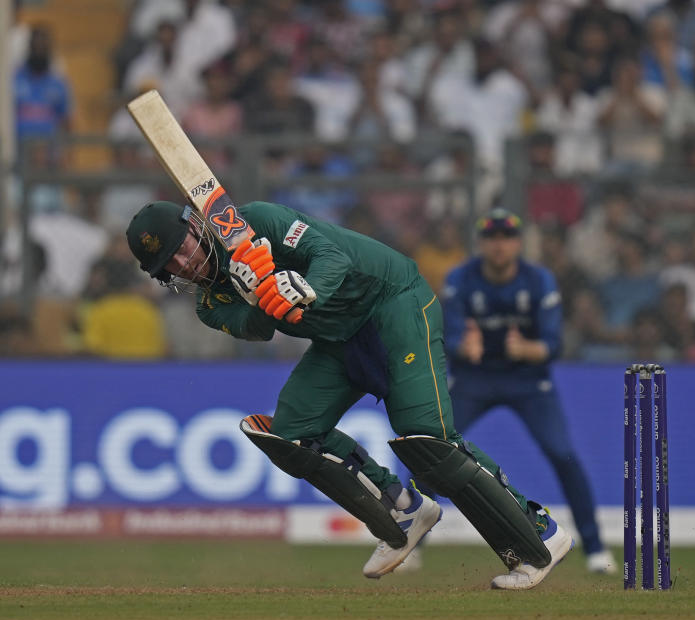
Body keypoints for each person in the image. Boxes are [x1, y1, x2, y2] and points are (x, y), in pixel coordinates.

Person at [125, 200, 573, 590]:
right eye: (168, 266)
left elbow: (330, 256)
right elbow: (257, 330)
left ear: (196, 226)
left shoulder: (256, 221)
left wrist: (304, 283)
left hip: (391, 300)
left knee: (429, 442)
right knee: (291, 435)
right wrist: (258, 288)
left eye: (180, 248)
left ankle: (539, 536)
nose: (182, 265)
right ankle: (403, 510)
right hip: (341, 339)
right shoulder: (208, 304)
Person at [441, 209, 616, 574]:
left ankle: (596, 548)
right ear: (481, 243)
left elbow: (553, 344)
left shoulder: (538, 280)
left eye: (507, 237)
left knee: (563, 454)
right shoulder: (461, 278)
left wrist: (527, 349)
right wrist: (462, 346)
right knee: (432, 448)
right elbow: (452, 335)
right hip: (475, 379)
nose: (499, 245)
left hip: (528, 381)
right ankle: (413, 542)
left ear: (518, 243)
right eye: (491, 238)